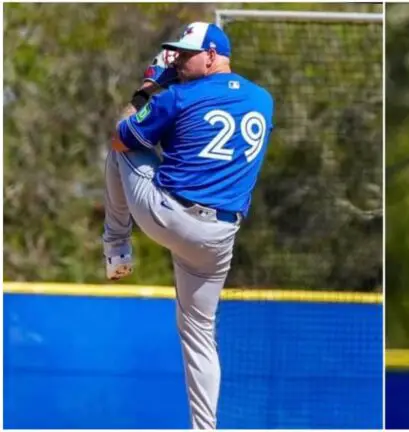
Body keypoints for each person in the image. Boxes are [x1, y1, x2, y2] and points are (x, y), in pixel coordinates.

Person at [103, 22, 274, 429]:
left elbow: (123, 137)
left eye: (185, 53)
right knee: (200, 335)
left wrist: (146, 90)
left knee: (117, 149)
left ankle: (116, 250)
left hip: (169, 215)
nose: (177, 61)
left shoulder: (177, 96)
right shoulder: (264, 100)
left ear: (213, 55)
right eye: (175, 54)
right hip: (219, 237)